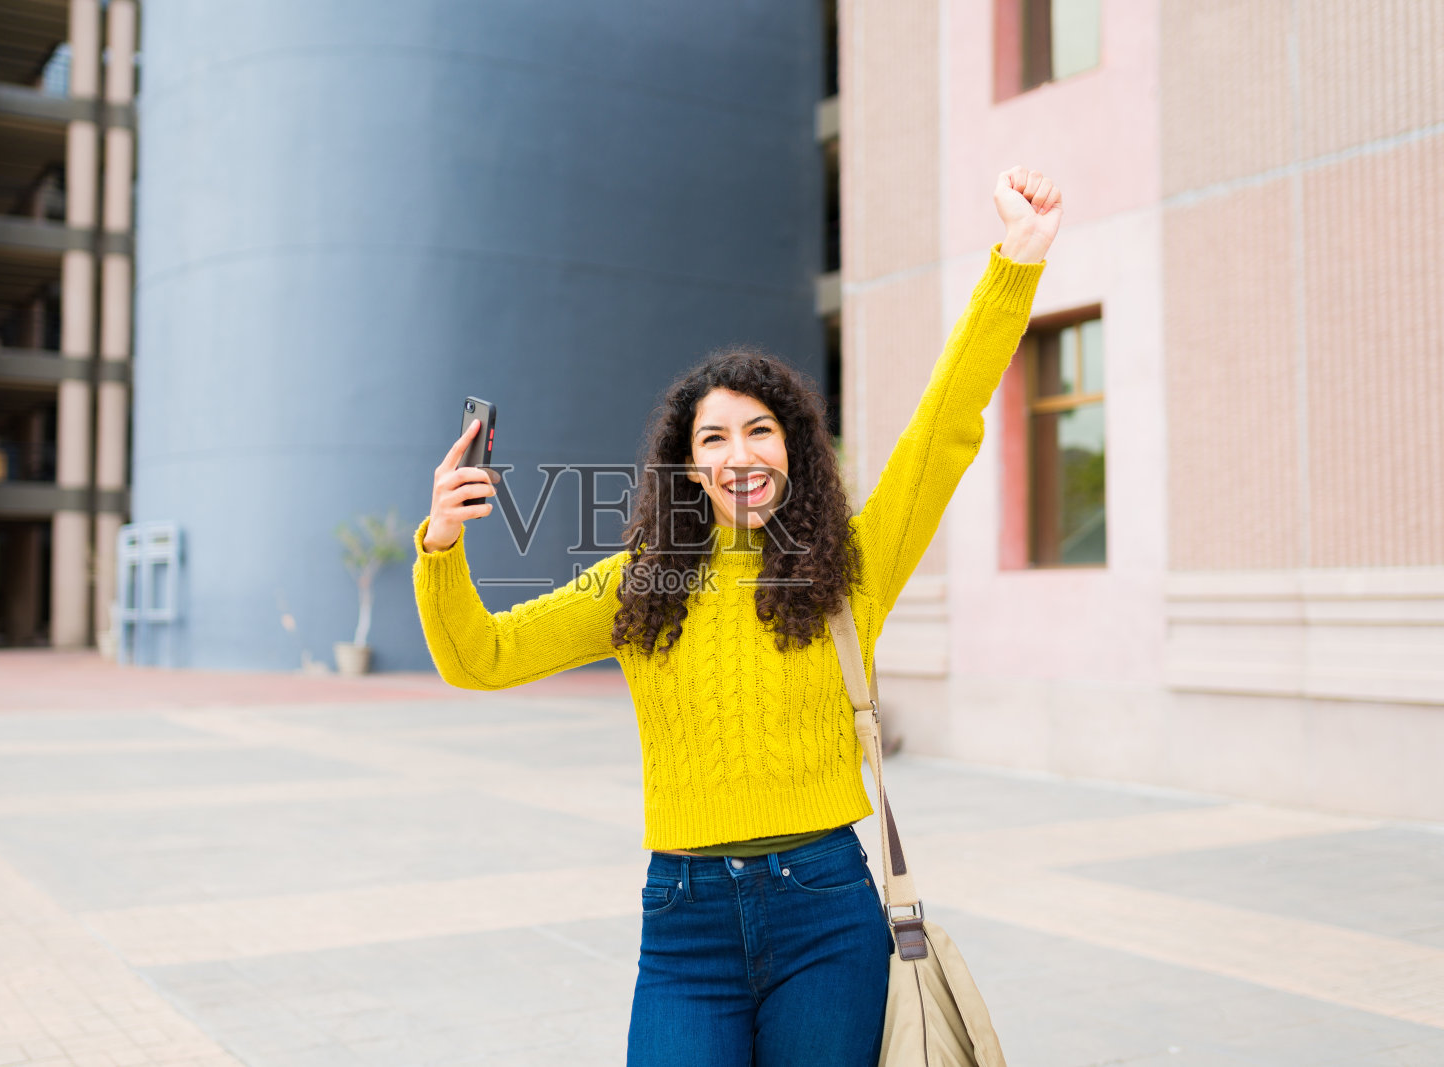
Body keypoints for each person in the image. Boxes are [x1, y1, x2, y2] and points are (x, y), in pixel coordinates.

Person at [413, 167, 1061, 1066]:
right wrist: (442, 547)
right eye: (712, 438)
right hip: (686, 922)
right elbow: (478, 657)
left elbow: (942, 426)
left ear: (793, 445)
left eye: (760, 429)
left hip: (827, 909)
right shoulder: (637, 585)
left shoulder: (850, 569)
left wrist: (1013, 267)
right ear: (687, 468)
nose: (739, 453)